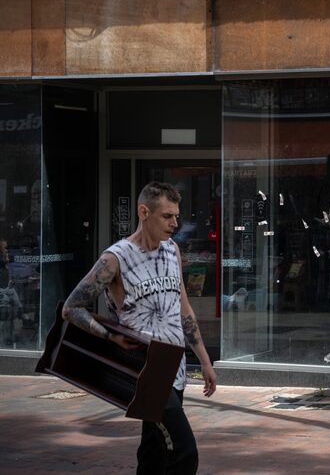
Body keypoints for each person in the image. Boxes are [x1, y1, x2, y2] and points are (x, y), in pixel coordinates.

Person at [62, 181, 217, 475]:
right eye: (166, 216)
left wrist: (205, 361)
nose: (174, 223)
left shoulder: (172, 250)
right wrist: (110, 335)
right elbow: (72, 308)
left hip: (176, 365)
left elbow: (184, 309)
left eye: (176, 216)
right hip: (144, 368)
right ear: (143, 212)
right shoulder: (115, 258)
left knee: (154, 452)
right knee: (184, 452)